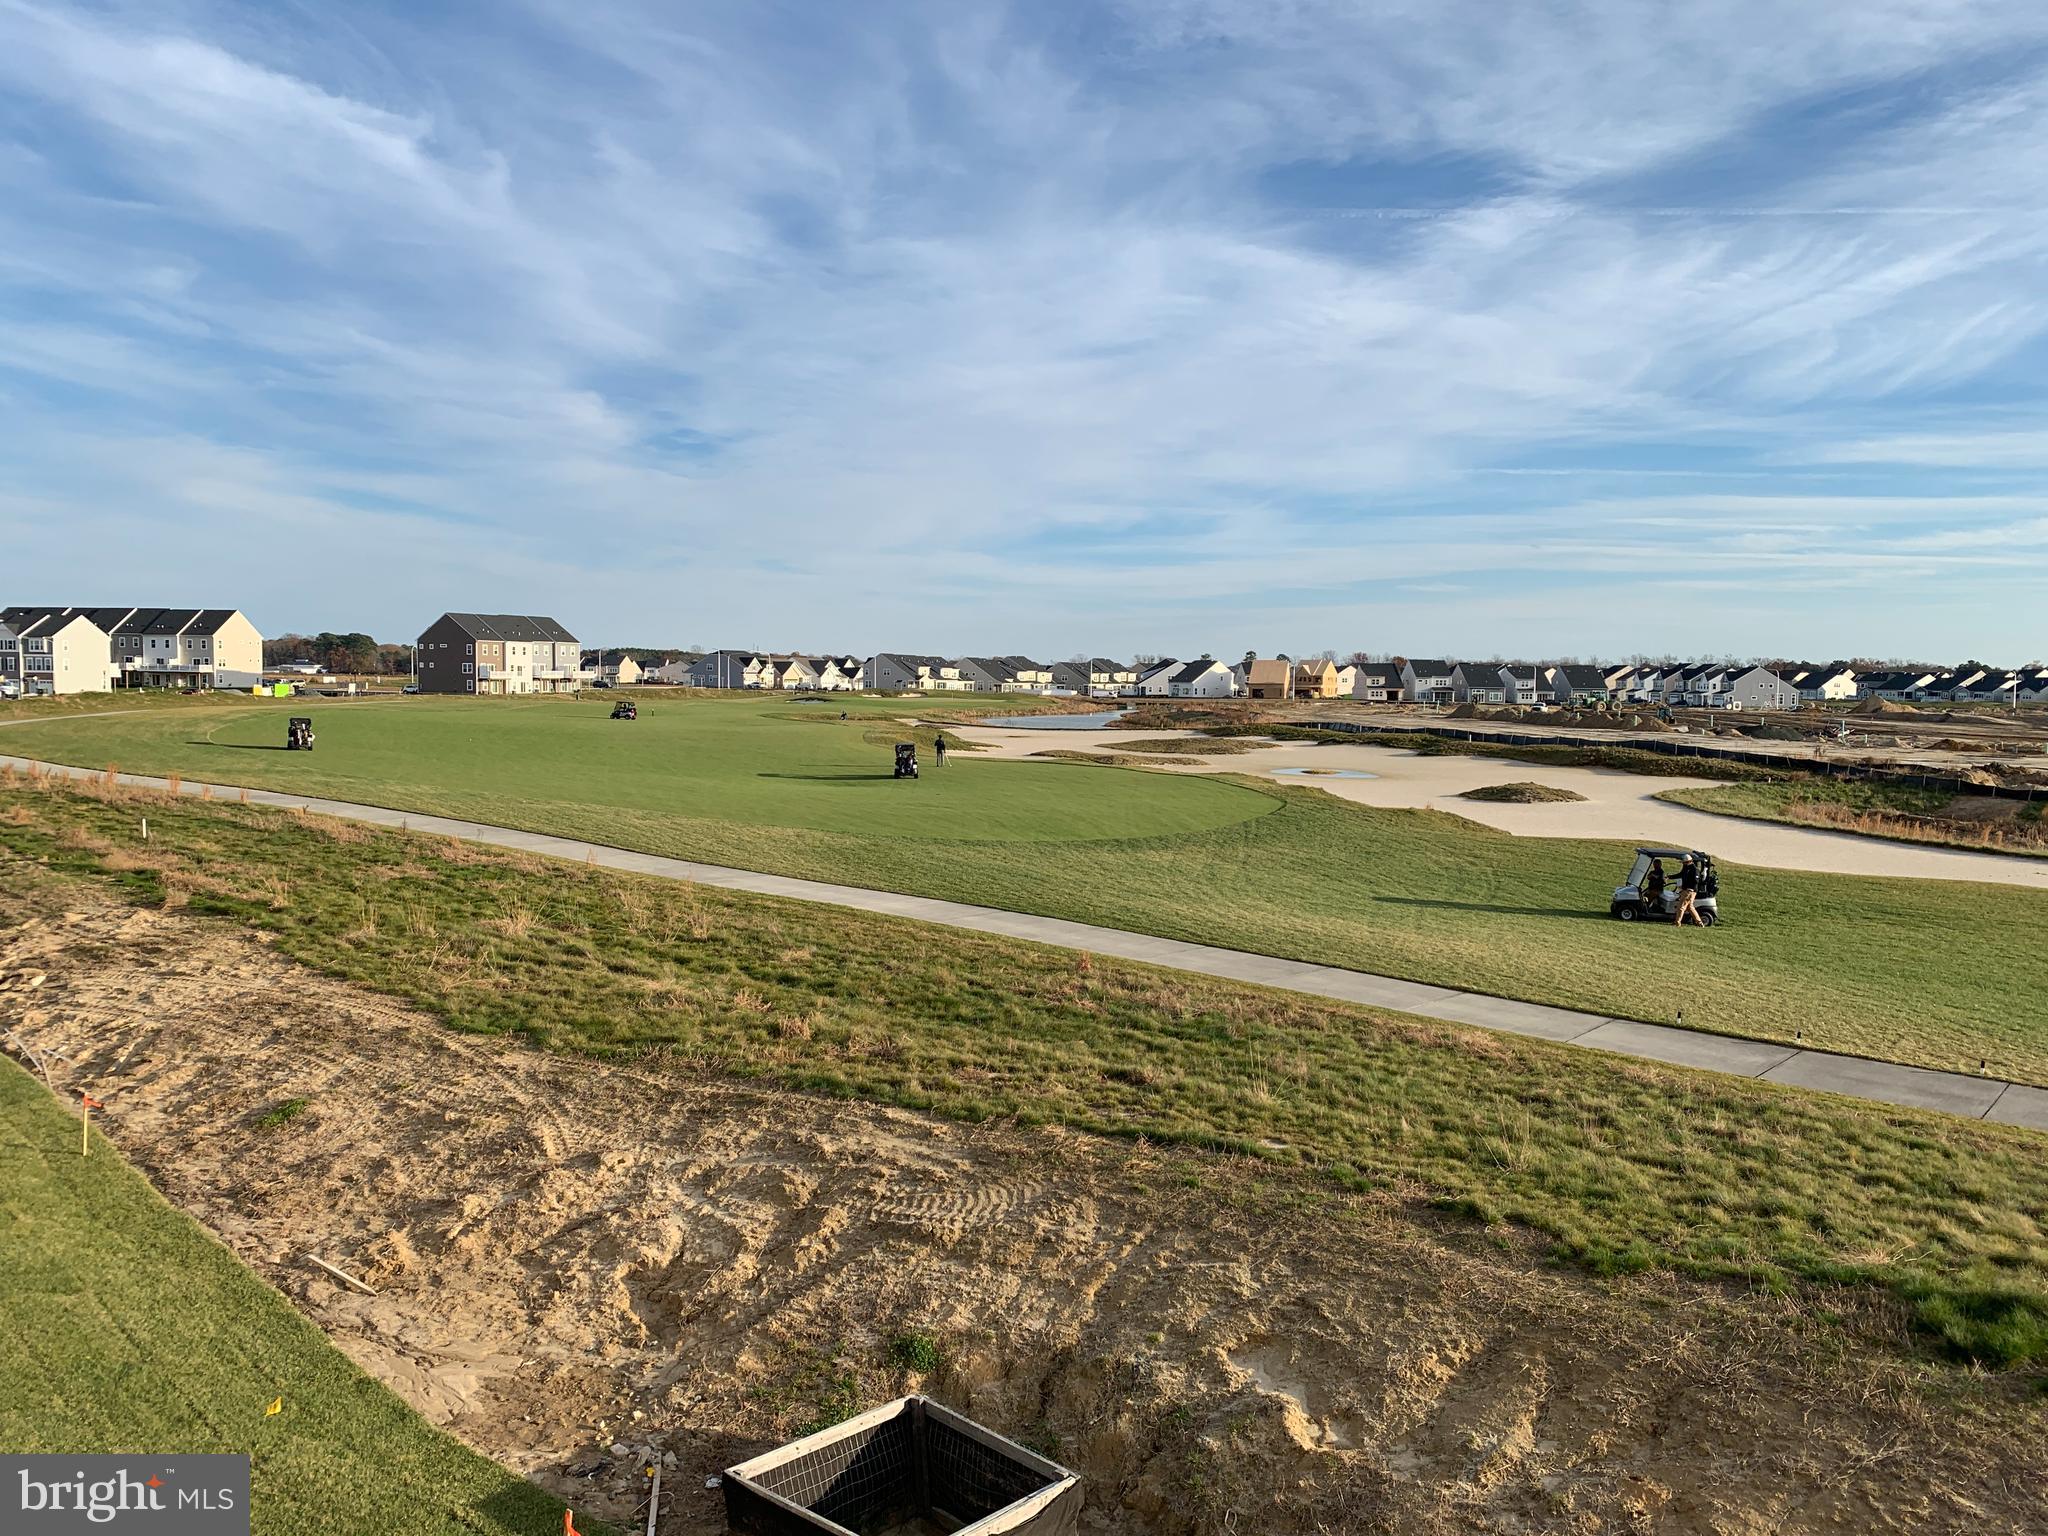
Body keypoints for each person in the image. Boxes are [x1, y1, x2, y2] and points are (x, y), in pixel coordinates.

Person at [1673, 853, 1705, 926]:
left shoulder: (1695, 870)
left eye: (1684, 862)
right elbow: (1680, 874)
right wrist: (1669, 877)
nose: (1683, 864)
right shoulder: (1686, 868)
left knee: (1681, 906)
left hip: (1690, 891)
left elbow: (1696, 881)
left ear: (1688, 862)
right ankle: (1699, 922)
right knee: (1690, 907)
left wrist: (1688, 887)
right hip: (1686, 890)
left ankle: (1677, 922)